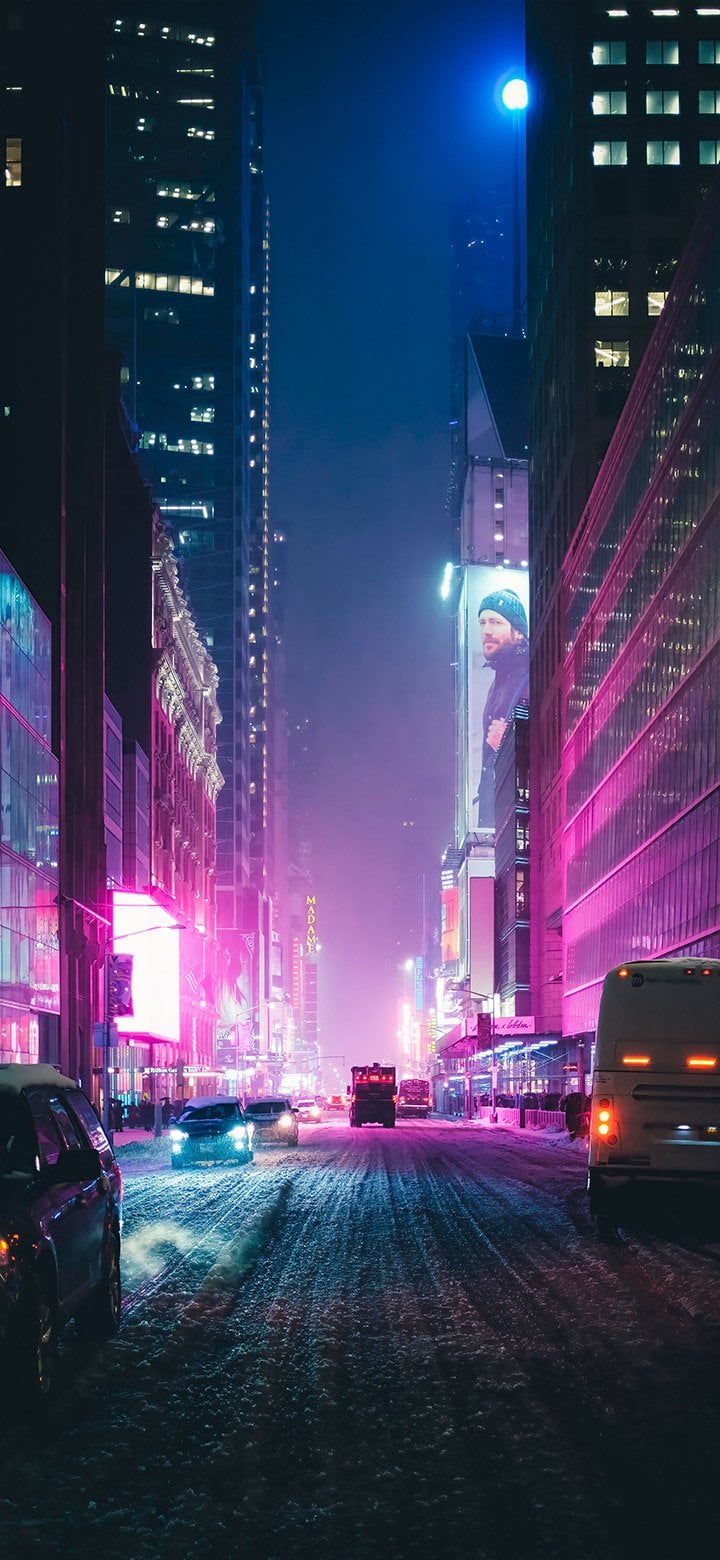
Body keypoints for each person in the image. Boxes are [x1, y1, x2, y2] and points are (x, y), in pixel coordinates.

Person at [474, 589, 529, 828]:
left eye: (496, 622)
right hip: (496, 808)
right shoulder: (498, 681)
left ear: (518, 633)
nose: (486, 630)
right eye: (482, 622)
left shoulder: (529, 675)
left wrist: (507, 742)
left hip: (516, 815)